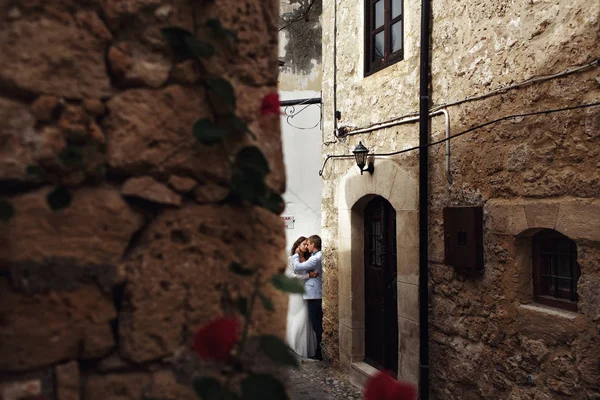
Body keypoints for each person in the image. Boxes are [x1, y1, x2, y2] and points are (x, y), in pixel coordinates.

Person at [285, 236, 318, 358]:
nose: (305, 246)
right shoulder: (291, 259)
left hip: (308, 290)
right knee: (298, 316)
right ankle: (294, 343)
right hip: (296, 291)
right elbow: (290, 275)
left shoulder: (309, 258)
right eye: (304, 244)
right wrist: (307, 276)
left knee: (306, 318)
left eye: (307, 244)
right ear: (298, 245)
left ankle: (306, 347)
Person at [293, 234, 323, 360]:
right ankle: (319, 351)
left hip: (314, 295)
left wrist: (295, 255)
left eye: (308, 244)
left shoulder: (315, 258)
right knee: (316, 324)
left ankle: (319, 352)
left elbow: (297, 267)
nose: (307, 246)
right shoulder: (315, 256)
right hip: (313, 294)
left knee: (316, 325)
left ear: (313, 245)